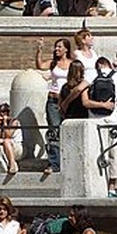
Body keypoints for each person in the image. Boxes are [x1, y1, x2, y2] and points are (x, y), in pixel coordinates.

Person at [82, 56, 117, 197]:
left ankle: (97, 187)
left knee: (97, 153)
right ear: (108, 65)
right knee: (115, 154)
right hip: (113, 121)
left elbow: (79, 91)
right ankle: (111, 188)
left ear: (98, 65)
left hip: (94, 121)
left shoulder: (91, 74)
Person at [36, 38, 74, 174]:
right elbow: (40, 65)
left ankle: (68, 160)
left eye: (59, 47)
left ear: (66, 49)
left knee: (68, 130)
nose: (56, 49)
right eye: (56, 47)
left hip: (67, 100)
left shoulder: (73, 64)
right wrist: (39, 51)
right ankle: (54, 163)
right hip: (53, 100)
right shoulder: (53, 63)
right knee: (54, 131)